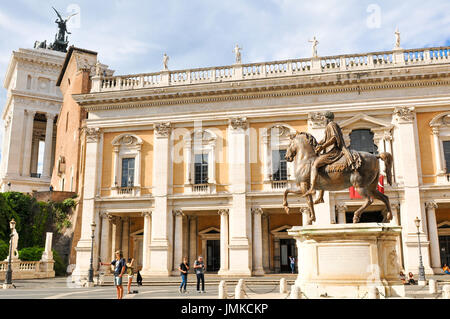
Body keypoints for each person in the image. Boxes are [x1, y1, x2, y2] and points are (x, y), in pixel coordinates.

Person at [304, 111, 357, 197]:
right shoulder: (330, 126)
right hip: (330, 150)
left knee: (315, 165)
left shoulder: (331, 125)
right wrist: (318, 145)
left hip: (333, 151)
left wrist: (322, 147)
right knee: (321, 170)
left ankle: (312, 189)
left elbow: (333, 138)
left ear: (327, 118)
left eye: (324, 118)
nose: (323, 120)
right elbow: (325, 139)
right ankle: (321, 197)